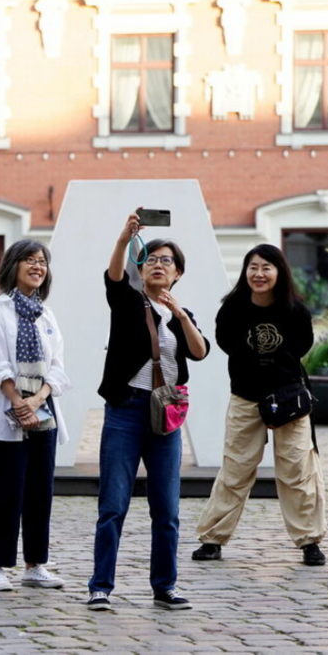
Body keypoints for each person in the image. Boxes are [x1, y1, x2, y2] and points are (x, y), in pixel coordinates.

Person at [88, 212, 209, 612]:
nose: (159, 264)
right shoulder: (127, 301)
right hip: (126, 411)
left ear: (177, 274)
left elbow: (199, 351)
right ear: (142, 269)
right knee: (113, 506)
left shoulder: (180, 315)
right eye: (152, 259)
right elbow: (114, 276)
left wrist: (180, 316)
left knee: (167, 510)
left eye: (167, 261)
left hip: (166, 419)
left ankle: (165, 587)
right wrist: (125, 240)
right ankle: (100, 586)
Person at [193, 244, 327, 566]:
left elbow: (301, 347)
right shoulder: (232, 309)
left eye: (266, 267)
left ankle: (309, 541)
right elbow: (227, 344)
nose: (259, 274)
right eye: (253, 267)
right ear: (245, 272)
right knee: (235, 468)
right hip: (246, 397)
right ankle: (213, 538)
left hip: (289, 400)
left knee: (297, 469)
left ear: (279, 272)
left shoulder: (295, 311)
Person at [0, 240, 70, 591]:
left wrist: (40, 398)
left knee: (39, 490)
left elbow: (58, 367)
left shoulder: (47, 314)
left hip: (44, 415)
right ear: (12, 265)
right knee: (4, 490)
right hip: (7, 415)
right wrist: (18, 402)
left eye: (42, 261)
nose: (37, 266)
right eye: (29, 260)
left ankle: (35, 564)